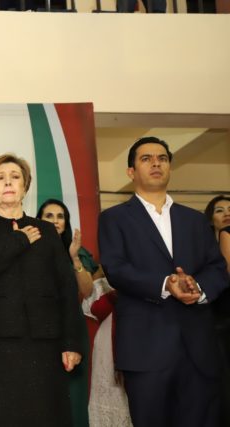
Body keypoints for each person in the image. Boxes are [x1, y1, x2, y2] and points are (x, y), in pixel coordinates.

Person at [98, 136, 229, 427]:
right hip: (146, 349)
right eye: (146, 159)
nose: (156, 163)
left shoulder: (195, 220)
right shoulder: (114, 218)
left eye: (162, 158)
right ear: (131, 171)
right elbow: (116, 269)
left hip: (198, 350)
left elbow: (217, 268)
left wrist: (199, 288)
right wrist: (166, 283)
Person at [0, 154, 83, 427]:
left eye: (15, 177)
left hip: (44, 342)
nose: (8, 182)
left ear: (25, 186)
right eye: (0, 178)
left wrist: (71, 343)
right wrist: (18, 239)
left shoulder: (46, 231)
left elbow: (65, 289)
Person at [36, 198, 95, 427]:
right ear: (38, 220)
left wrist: (74, 257)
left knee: (72, 397)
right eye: (49, 216)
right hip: (36, 330)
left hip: (70, 329)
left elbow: (87, 290)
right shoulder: (26, 248)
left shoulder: (76, 252)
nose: (55, 221)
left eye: (60, 216)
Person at [204, 195, 230, 426]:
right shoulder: (203, 250)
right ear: (211, 218)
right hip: (214, 322)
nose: (226, 213)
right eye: (219, 210)